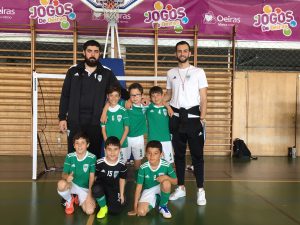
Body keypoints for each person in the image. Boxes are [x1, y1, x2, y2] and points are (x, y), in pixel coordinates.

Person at [58, 40, 129, 158]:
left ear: (100, 54)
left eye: (96, 52)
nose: (92, 54)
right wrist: (62, 118)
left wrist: (135, 97)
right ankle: (73, 175)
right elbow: (65, 95)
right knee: (74, 152)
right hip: (75, 120)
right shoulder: (73, 71)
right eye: (89, 51)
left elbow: (119, 90)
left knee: (94, 153)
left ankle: (93, 176)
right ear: (84, 52)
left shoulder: (106, 72)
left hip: (96, 121)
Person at [165, 40, 208, 206]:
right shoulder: (170, 73)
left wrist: (202, 118)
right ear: (176, 53)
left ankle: (200, 190)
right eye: (179, 51)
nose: (182, 53)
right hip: (176, 119)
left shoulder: (198, 72)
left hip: (193, 119)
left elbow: (203, 97)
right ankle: (181, 188)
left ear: (189, 53)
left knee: (197, 156)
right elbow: (169, 95)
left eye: (185, 51)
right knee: (179, 156)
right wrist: (158, 100)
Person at [128, 140, 177, 219]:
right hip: (148, 190)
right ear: (146, 154)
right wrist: (135, 207)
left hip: (161, 187)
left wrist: (166, 177)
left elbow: (175, 181)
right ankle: (157, 199)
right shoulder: (143, 168)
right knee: (141, 212)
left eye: (155, 153)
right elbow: (138, 187)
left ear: (161, 154)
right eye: (149, 153)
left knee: (166, 182)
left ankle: (162, 206)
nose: (152, 156)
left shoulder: (166, 165)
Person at [57, 132, 96, 215]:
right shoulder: (69, 157)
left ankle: (77, 196)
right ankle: (69, 200)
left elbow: (92, 177)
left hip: (84, 188)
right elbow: (63, 174)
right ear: (74, 145)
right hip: (72, 185)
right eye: (77, 143)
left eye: (82, 143)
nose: (79, 145)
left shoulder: (92, 158)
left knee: (90, 211)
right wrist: (67, 177)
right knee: (61, 184)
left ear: (87, 145)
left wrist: (89, 195)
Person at [92, 136, 127, 219]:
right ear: (105, 150)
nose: (112, 152)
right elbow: (94, 177)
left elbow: (122, 179)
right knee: (96, 189)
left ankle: (107, 200)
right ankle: (103, 207)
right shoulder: (99, 162)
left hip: (114, 187)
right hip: (101, 186)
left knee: (115, 211)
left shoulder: (122, 165)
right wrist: (92, 194)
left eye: (115, 149)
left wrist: (121, 194)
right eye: (109, 149)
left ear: (119, 150)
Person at [101, 86, 129, 163]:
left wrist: (120, 144)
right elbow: (103, 129)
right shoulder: (104, 112)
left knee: (122, 164)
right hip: (109, 145)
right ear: (107, 96)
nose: (114, 98)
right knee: (109, 164)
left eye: (116, 95)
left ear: (119, 97)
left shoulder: (123, 110)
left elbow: (126, 129)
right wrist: (107, 144)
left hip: (122, 144)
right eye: (111, 95)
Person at [146, 86, 174, 163]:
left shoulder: (169, 108)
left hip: (166, 139)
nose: (156, 98)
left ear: (162, 95)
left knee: (169, 162)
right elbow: (141, 101)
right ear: (150, 98)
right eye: (153, 96)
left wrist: (168, 106)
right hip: (153, 139)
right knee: (154, 162)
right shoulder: (148, 107)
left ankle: (167, 175)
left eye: (158, 95)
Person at [125, 83, 148, 173]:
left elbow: (157, 101)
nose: (135, 97)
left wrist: (168, 107)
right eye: (132, 95)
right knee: (123, 161)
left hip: (138, 138)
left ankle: (137, 179)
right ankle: (121, 179)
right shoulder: (126, 105)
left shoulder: (146, 106)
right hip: (125, 137)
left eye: (137, 94)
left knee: (138, 161)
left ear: (142, 95)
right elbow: (110, 102)